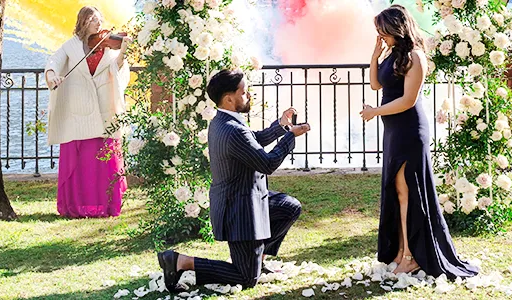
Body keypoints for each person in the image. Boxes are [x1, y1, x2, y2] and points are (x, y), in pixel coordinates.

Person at [157, 69, 312, 291]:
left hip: (245, 199)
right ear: (229, 98)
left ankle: (258, 259)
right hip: (240, 212)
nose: (248, 96)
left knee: (289, 207)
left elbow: (252, 140)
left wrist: (280, 126)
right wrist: (290, 137)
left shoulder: (223, 121)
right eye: (244, 92)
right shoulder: (232, 130)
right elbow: (267, 164)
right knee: (247, 278)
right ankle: (182, 261)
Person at [359, 5, 479, 279]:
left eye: (383, 32)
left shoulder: (416, 56)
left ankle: (411, 255)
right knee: (398, 191)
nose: (381, 36)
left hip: (410, 130)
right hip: (393, 130)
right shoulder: (393, 55)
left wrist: (374, 112)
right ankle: (402, 251)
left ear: (396, 29)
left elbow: (407, 100)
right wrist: (375, 56)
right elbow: (377, 86)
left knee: (407, 192)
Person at [44, 6, 131, 218]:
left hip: (104, 107)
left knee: (104, 162)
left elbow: (117, 69)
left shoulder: (109, 45)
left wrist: (123, 53)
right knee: (81, 163)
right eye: (93, 20)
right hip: (78, 111)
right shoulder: (70, 46)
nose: (98, 24)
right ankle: (76, 206)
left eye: (99, 20)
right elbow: (53, 63)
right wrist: (52, 76)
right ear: (82, 22)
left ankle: (106, 205)